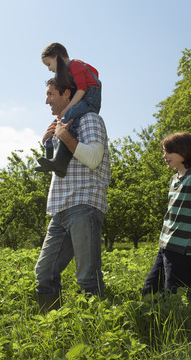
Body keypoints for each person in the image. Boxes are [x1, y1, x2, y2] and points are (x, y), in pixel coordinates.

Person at [34, 77, 111, 313]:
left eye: (50, 94)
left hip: (83, 203)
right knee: (44, 272)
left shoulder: (89, 119)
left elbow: (93, 158)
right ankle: (51, 325)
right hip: (60, 208)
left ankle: (96, 330)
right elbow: (60, 166)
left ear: (67, 93)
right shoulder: (63, 124)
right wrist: (48, 141)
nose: (46, 100)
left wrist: (64, 136)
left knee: (87, 276)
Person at [141, 132, 191, 299]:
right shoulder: (174, 179)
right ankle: (152, 323)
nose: (164, 156)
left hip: (183, 249)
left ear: (183, 151)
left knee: (176, 297)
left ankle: (183, 324)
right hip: (165, 246)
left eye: (168, 152)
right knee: (150, 291)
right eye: (164, 152)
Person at [36, 42, 102, 178]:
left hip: (89, 99)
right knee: (57, 123)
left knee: (67, 118)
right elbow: (94, 71)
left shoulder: (75, 65)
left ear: (57, 56)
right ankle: (50, 160)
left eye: (49, 64)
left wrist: (67, 108)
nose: (49, 69)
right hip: (84, 98)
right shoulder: (72, 68)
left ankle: (60, 162)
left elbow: (82, 90)